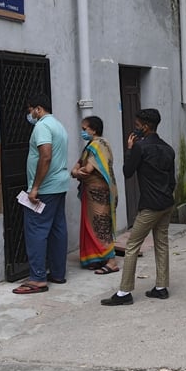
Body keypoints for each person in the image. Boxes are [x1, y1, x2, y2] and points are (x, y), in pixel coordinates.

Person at [101, 109, 176, 306]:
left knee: (132, 245)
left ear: (145, 126)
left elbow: (127, 172)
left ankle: (124, 292)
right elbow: (172, 181)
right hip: (167, 203)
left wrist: (129, 149)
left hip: (150, 205)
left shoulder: (140, 148)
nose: (135, 128)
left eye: (137, 124)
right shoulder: (168, 148)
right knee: (162, 243)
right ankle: (161, 287)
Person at [13, 93, 70, 294]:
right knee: (57, 229)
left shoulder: (42, 126)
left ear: (38, 109)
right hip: (59, 185)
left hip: (45, 188)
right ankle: (57, 272)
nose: (29, 115)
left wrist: (35, 187)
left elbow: (45, 156)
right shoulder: (58, 125)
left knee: (36, 230)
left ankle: (37, 278)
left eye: (30, 111)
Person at [71, 116, 120, 275]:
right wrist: (77, 171)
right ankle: (97, 258)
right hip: (93, 191)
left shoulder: (98, 146)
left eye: (84, 129)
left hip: (98, 192)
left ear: (93, 129)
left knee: (100, 225)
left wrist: (76, 173)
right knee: (92, 224)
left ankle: (111, 261)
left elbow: (87, 170)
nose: (82, 132)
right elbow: (78, 165)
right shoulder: (93, 145)